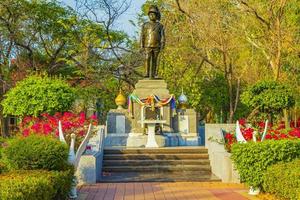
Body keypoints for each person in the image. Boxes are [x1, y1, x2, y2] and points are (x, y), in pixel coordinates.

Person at [140, 5, 165, 79]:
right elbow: (142, 36)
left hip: (157, 45)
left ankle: (154, 73)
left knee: (155, 60)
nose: (152, 15)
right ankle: (146, 73)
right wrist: (141, 45)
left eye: (154, 14)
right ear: (148, 15)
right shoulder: (145, 25)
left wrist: (163, 43)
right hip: (147, 45)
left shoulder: (160, 25)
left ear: (156, 15)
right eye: (150, 14)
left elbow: (162, 35)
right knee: (147, 58)